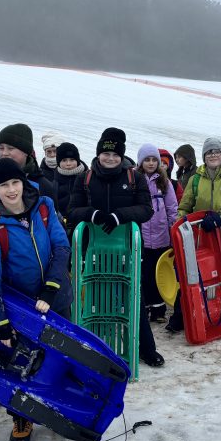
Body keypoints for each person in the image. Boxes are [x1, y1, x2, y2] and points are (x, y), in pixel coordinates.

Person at [0, 158, 74, 441]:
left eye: (15, 182)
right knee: (22, 360)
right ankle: (21, 416)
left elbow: (61, 246)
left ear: (23, 182)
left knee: (60, 355)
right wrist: (0, 321)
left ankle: (61, 408)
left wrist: (51, 288)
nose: (11, 190)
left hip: (56, 298)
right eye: (4, 185)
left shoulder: (44, 207)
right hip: (22, 303)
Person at [68, 129, 161, 366]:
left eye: (115, 154)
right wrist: (94, 214)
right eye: (106, 153)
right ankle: (97, 348)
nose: (110, 158)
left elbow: (146, 209)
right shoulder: (85, 178)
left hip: (127, 250)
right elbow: (73, 210)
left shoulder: (134, 178)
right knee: (96, 297)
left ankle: (146, 349)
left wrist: (119, 216)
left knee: (133, 297)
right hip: (94, 250)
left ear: (122, 156)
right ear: (98, 153)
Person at [166, 138, 221, 332]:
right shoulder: (195, 179)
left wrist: (220, 217)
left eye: (216, 151)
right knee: (193, 276)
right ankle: (182, 317)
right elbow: (184, 207)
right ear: (204, 156)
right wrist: (182, 225)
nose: (213, 155)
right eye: (209, 152)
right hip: (200, 240)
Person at [0, 123, 58, 227]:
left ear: (26, 152)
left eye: (10, 148)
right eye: (1, 148)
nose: (4, 153)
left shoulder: (44, 186)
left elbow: (55, 225)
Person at [137, 143, 178, 332]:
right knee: (144, 274)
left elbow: (172, 208)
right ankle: (144, 307)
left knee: (158, 274)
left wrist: (172, 231)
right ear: (141, 162)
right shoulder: (135, 179)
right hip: (143, 237)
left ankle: (159, 310)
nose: (151, 163)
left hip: (161, 236)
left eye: (154, 160)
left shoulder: (164, 181)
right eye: (147, 159)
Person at [52, 142, 87, 233]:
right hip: (61, 226)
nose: (68, 164)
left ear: (77, 160)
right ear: (58, 162)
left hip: (83, 226)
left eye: (72, 159)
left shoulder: (87, 178)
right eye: (64, 160)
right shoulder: (54, 181)